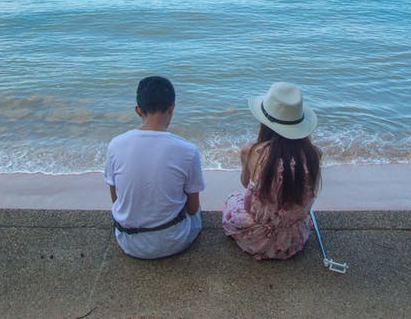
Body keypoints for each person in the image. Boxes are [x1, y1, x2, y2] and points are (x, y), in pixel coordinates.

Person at [104, 76, 205, 259]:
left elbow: (116, 199)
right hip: (174, 241)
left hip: (128, 242)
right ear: (172, 107)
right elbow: (192, 209)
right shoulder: (188, 150)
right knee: (196, 209)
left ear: (138, 110)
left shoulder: (115, 145)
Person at [222, 81, 322, 260]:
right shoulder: (314, 155)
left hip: (257, 238)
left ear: (265, 122)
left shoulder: (252, 151)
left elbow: (245, 183)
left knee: (232, 199)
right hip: (293, 239)